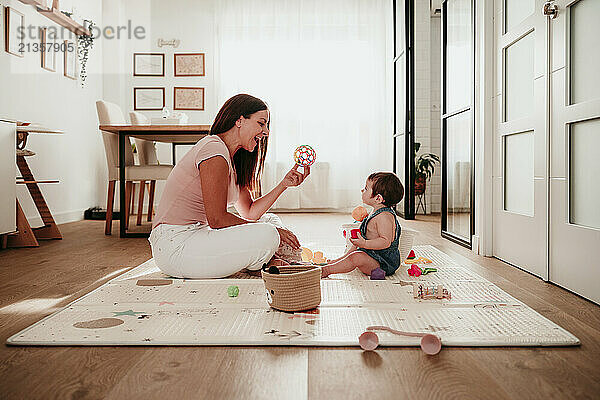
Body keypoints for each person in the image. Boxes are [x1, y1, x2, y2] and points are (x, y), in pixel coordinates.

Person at [148, 94, 310, 279]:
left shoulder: (232, 159)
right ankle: (263, 262)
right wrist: (272, 234)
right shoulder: (213, 149)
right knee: (268, 233)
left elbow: (249, 212)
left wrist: (284, 184)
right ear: (239, 120)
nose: (265, 131)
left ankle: (262, 261)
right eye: (261, 123)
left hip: (198, 236)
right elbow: (217, 219)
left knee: (269, 220)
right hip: (175, 246)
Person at [321, 172, 404, 278]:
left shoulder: (384, 217)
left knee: (356, 257)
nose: (362, 190)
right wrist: (362, 242)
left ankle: (327, 270)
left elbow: (386, 241)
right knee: (354, 249)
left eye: (365, 188)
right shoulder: (375, 211)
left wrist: (365, 243)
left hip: (383, 263)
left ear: (378, 198)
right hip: (371, 254)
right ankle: (335, 262)